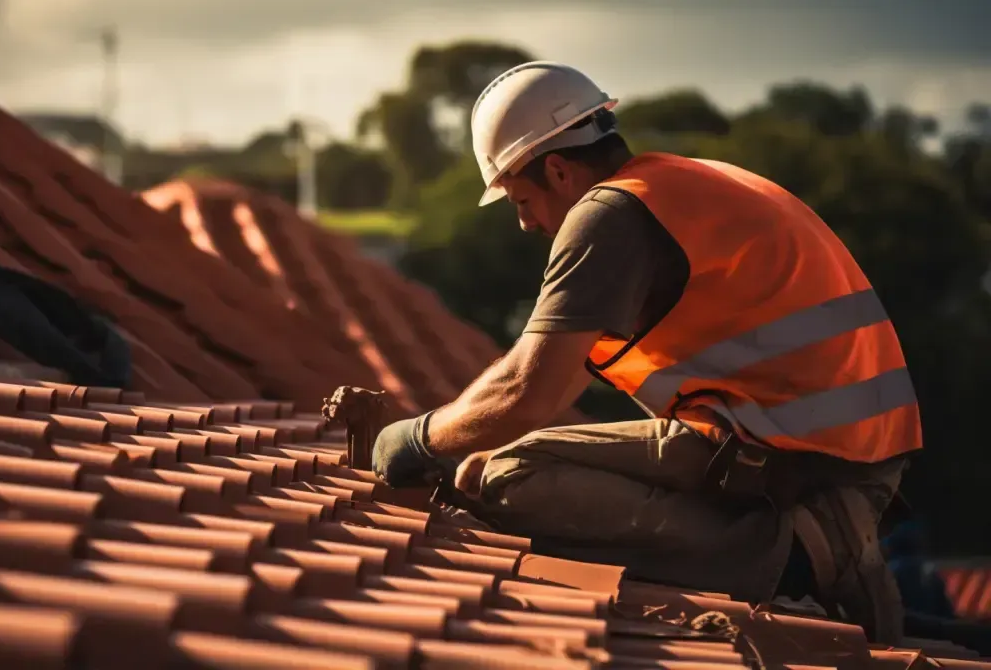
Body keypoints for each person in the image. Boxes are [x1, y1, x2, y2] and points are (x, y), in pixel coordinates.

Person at [370, 61, 922, 644]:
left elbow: (527, 391)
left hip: (807, 462)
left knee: (507, 474)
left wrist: (419, 438)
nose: (526, 223)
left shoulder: (610, 216)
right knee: (487, 463)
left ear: (558, 170)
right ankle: (796, 541)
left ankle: (792, 559)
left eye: (519, 199)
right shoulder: (679, 185)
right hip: (834, 448)